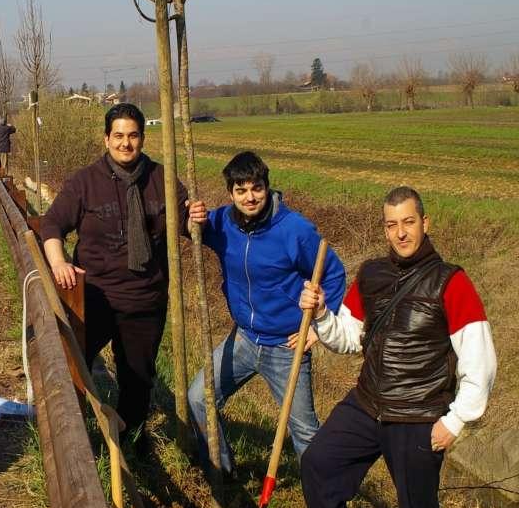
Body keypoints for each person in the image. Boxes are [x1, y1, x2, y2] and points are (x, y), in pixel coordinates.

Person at [298, 186, 496, 508]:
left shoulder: (450, 281)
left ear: (425, 223)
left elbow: (480, 360)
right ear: (385, 229)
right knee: (318, 464)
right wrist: (322, 315)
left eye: (408, 222)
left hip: (419, 415)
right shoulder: (371, 274)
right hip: (368, 402)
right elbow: (350, 337)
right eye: (392, 225)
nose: (401, 233)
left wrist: (455, 420)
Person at [41, 103, 206, 448]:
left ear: (143, 138)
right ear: (106, 139)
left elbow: (187, 227)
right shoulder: (85, 182)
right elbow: (52, 224)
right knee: (71, 367)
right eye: (118, 135)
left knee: (137, 380)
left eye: (133, 135)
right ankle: (74, 441)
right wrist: (59, 263)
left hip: (145, 301)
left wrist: (196, 219)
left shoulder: (163, 179)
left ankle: (127, 446)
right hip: (95, 299)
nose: (125, 143)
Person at [187, 151, 346, 474]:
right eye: (241, 190)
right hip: (244, 339)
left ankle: (322, 503)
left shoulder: (294, 230)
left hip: (286, 347)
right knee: (197, 398)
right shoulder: (222, 223)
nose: (250, 197)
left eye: (256, 188)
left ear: (267, 187)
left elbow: (334, 274)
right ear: (231, 193)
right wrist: (192, 217)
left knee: (304, 431)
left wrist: (318, 329)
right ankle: (222, 474)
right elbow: (189, 228)